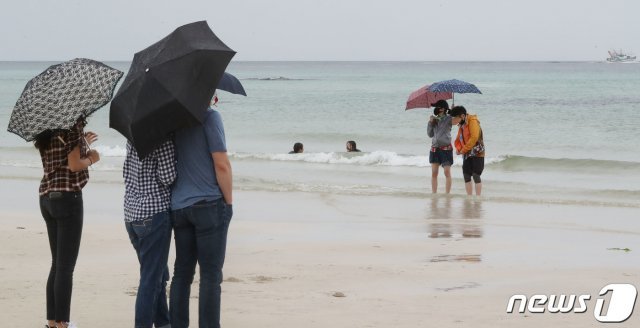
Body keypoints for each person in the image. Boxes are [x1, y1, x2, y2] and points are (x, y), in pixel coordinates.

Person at [170, 94, 233, 328]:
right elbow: (221, 164)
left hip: (179, 206)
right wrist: (229, 202)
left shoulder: (174, 121)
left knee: (182, 275)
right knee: (210, 277)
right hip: (208, 204)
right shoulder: (210, 117)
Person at [35, 116, 100, 328]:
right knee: (65, 267)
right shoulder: (73, 125)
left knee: (57, 264)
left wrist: (84, 143)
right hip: (67, 198)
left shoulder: (45, 129)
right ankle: (63, 323)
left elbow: (60, 159)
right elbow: (73, 165)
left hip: (47, 197)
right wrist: (92, 158)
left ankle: (52, 322)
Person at [123, 138, 176, 328]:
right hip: (153, 214)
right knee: (151, 279)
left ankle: (163, 323)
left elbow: (126, 173)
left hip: (131, 215)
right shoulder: (162, 139)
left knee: (157, 274)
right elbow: (167, 177)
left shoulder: (131, 138)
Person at [449, 106, 485, 196]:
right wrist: (458, 149)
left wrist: (463, 150)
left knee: (476, 175)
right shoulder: (461, 125)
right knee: (466, 175)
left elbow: (474, 138)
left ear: (462, 116)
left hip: (477, 152)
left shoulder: (473, 121)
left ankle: (478, 198)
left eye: (455, 118)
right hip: (466, 153)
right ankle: (469, 198)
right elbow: (458, 140)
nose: (455, 121)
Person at [427, 100, 454, 194]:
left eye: (438, 107)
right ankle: (434, 194)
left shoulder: (448, 119)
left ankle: (447, 194)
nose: (436, 109)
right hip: (434, 149)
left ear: (443, 108)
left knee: (447, 172)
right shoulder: (434, 119)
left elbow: (455, 121)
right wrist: (430, 122)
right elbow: (430, 134)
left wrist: (453, 111)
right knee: (434, 173)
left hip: (446, 149)